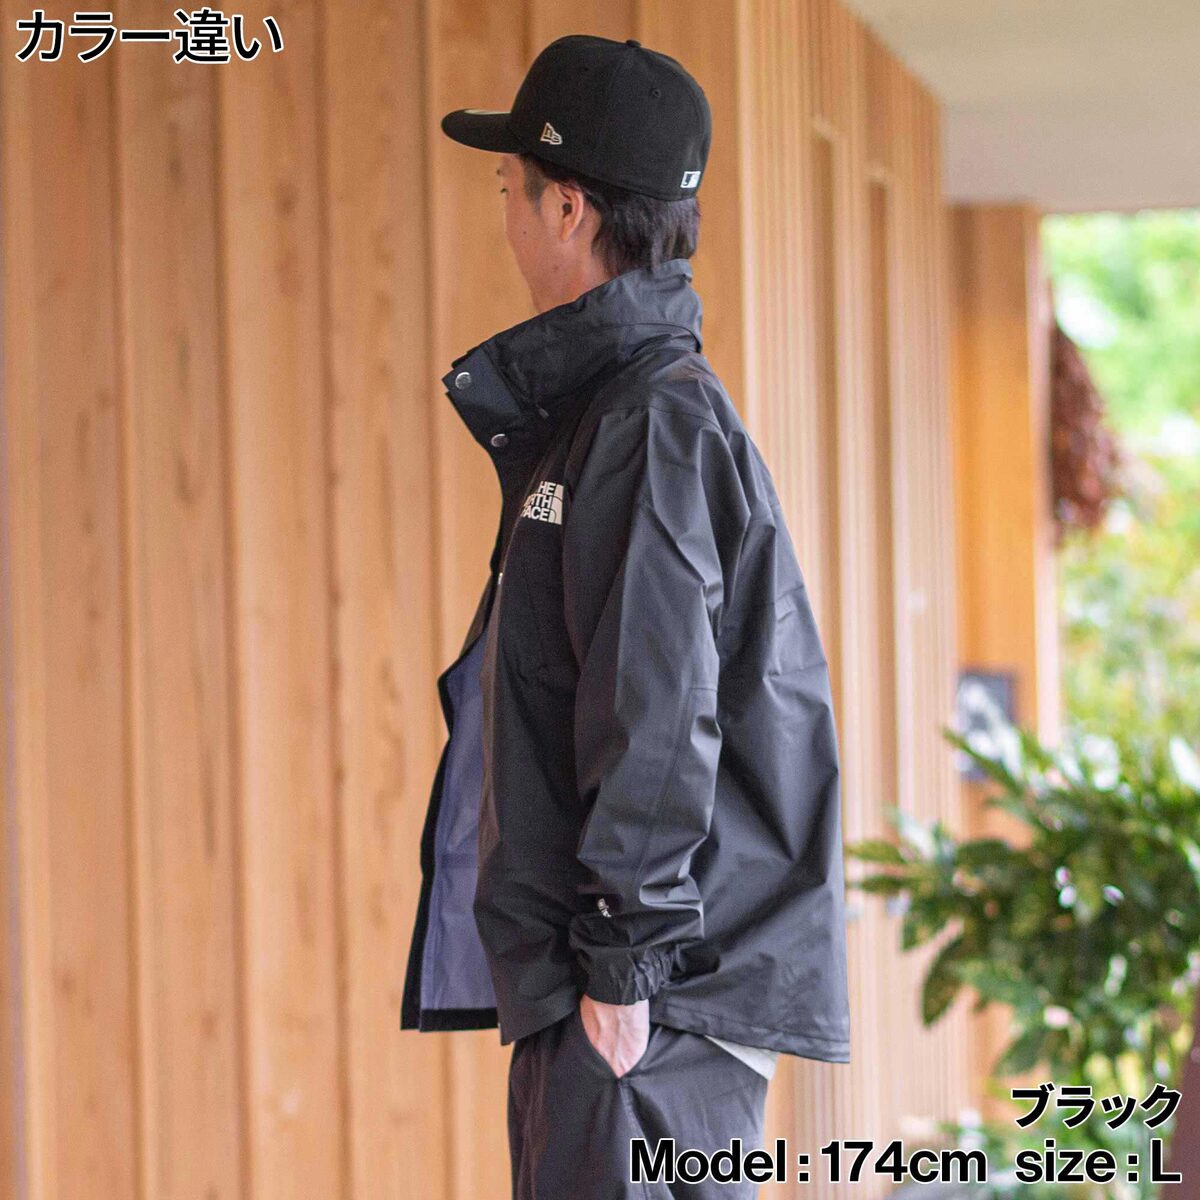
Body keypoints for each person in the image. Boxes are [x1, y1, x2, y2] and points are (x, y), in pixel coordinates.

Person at [401, 33, 851, 1200]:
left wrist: (623, 966)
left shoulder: (646, 423)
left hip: (646, 1008)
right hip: (640, 999)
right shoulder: (624, 414)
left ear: (567, 208)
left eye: (510, 188)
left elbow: (657, 704)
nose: (504, 215)